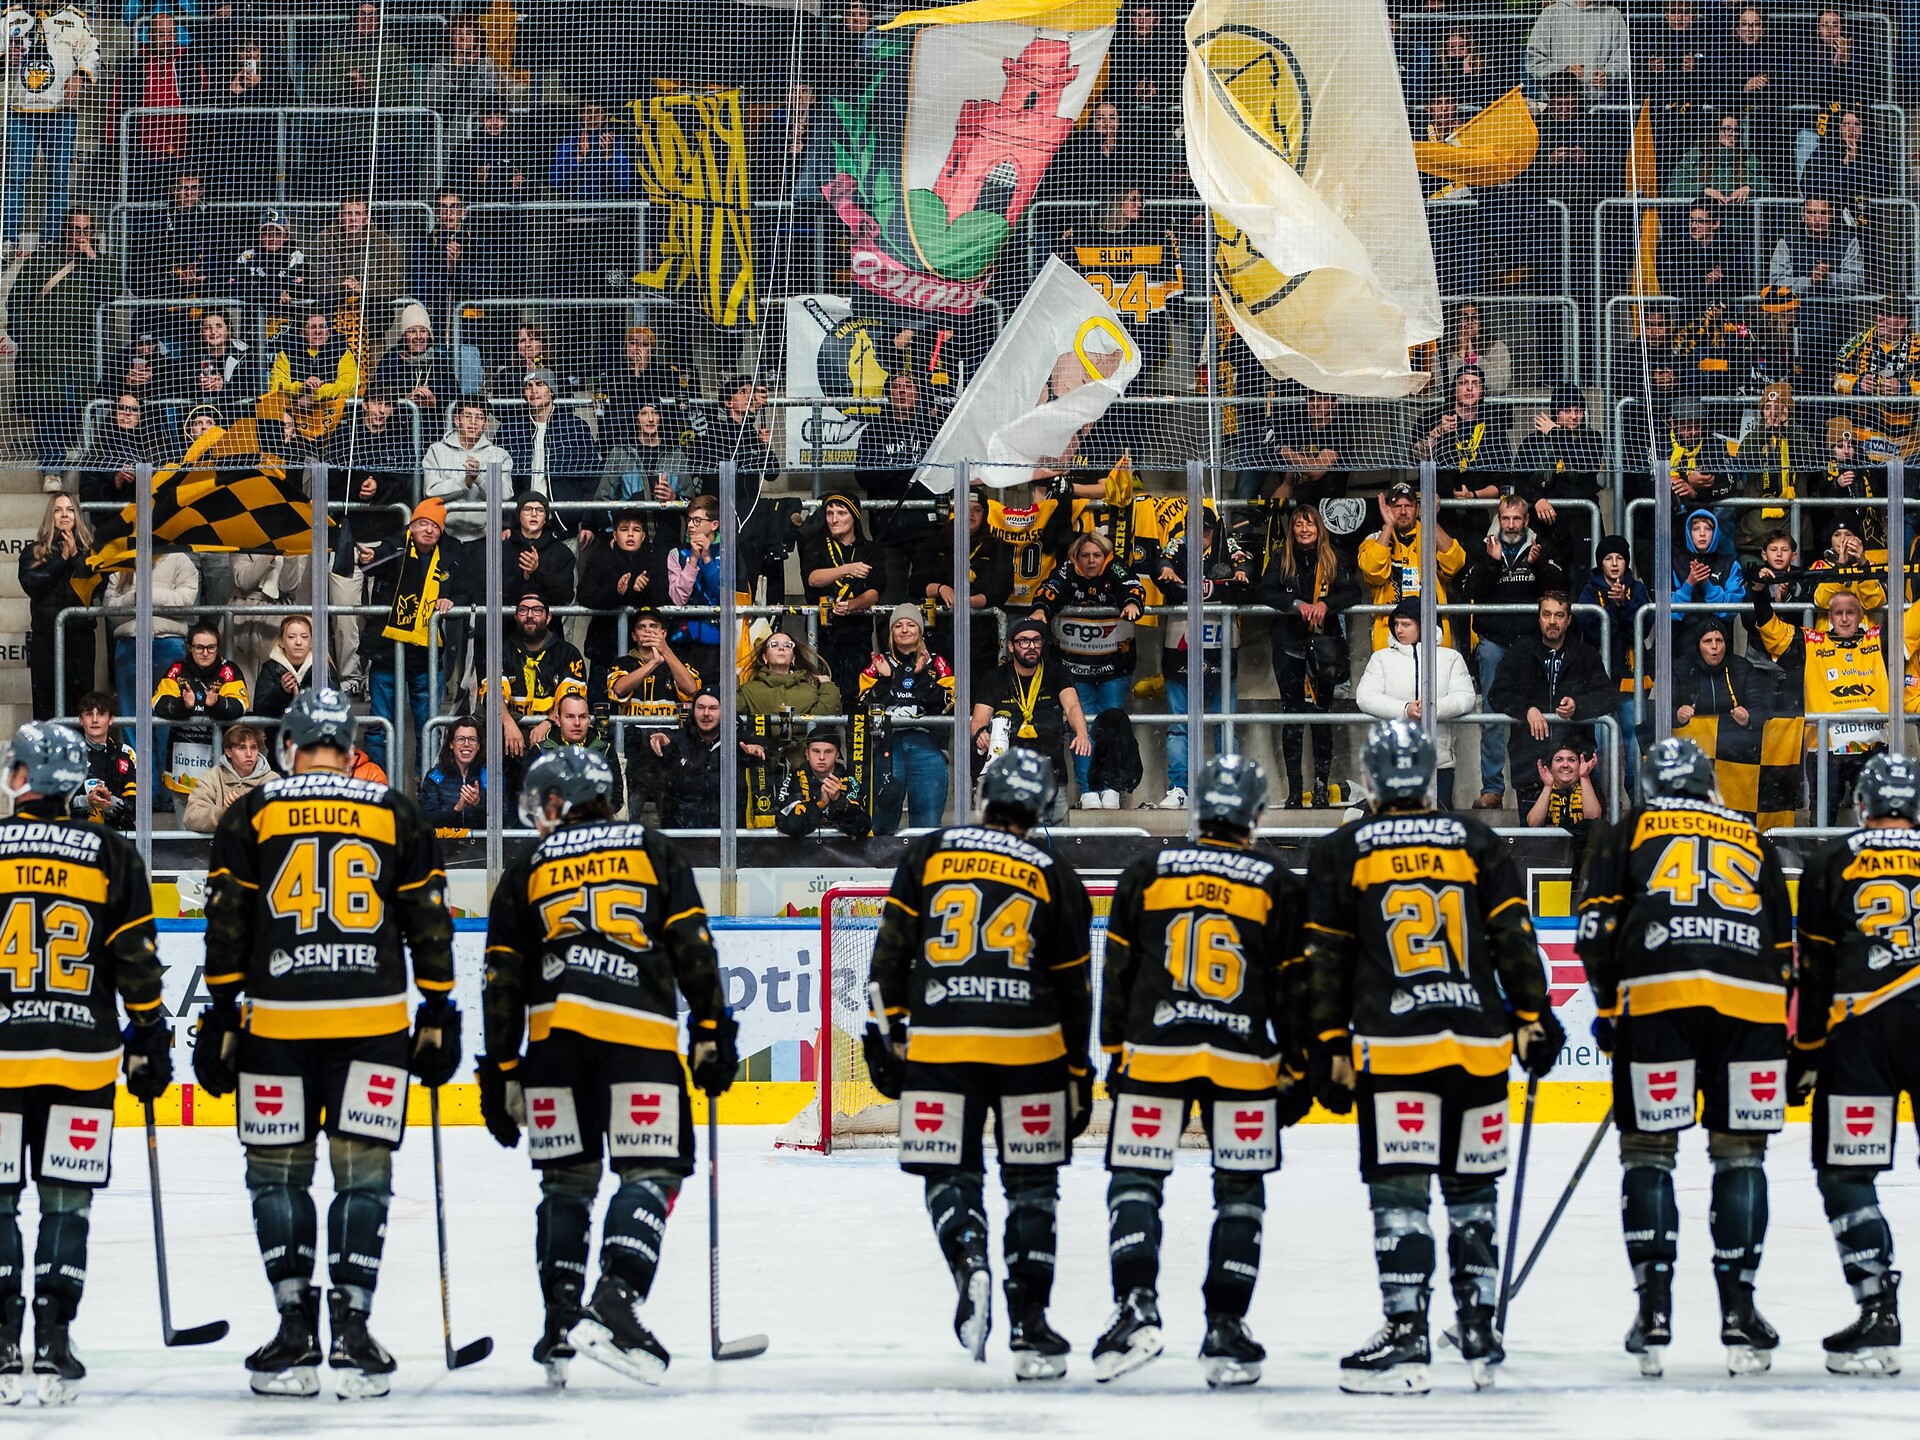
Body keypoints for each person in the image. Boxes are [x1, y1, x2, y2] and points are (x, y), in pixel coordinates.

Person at [191, 689, 457, 1400]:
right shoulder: (394, 810)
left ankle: (293, 1327)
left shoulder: (252, 812)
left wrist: (219, 1010)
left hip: (277, 1024)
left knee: (277, 1176)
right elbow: (428, 917)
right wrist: (438, 1007)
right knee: (362, 1176)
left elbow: (228, 920)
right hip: (372, 1024)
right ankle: (353, 1325)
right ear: (350, 747)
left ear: (289, 745)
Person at [1305, 720, 1560, 1393]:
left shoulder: (1344, 847)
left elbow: (1325, 962)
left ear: (1370, 779)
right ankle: (1478, 1324)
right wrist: (1534, 1016)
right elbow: (1514, 937)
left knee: (1401, 1192)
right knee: (1472, 1189)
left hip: (1395, 1046)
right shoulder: (1475, 839)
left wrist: (1326, 1043)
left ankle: (1408, 1333)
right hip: (1478, 1042)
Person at [477, 745, 733, 1385]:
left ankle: (561, 1320)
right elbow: (693, 945)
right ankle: (617, 1296)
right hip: (636, 1036)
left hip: (553, 1045)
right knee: (653, 1171)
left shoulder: (528, 864)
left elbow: (501, 981)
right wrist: (710, 1029)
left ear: (560, 801)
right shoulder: (651, 848)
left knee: (564, 1185)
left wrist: (502, 1070)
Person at [861, 748, 1093, 1376]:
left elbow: (889, 959)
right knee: (1033, 1188)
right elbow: (1075, 988)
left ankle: (970, 1262)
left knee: (949, 1173)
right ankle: (1032, 1330)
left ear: (985, 795)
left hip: (941, 1044)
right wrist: (1078, 1072)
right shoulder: (1055, 871)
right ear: (1042, 805)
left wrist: (886, 1033)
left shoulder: (930, 853)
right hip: (1032, 1048)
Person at [1575, 736, 1794, 1378]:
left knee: (1649, 1153)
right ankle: (1738, 1311)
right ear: (1706, 785)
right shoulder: (1751, 836)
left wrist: (1612, 1007)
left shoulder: (1626, 830)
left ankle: (1655, 1310)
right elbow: (1784, 947)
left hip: (1659, 1000)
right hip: (1750, 1005)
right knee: (1740, 1154)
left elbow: (1594, 931)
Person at [1092, 755, 1306, 1387]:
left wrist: (1114, 1052)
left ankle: (1136, 1308)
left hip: (1155, 1052)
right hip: (1242, 1059)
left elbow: (1119, 971)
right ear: (1256, 814)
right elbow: (1296, 986)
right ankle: (1226, 1329)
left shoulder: (1148, 869)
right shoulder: (1274, 879)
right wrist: (1299, 1065)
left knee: (1136, 1181)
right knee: (1240, 1193)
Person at [0, 722, 167, 1406]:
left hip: (2, 1060)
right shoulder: (109, 852)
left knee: (1, 1198)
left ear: (19, 778)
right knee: (67, 1200)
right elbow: (135, 958)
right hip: (82, 1056)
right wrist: (150, 1034)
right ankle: (54, 1337)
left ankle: (5, 1335)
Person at [1791, 752, 1920, 1375]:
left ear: (1862, 805)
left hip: (1860, 1030)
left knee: (1847, 1172)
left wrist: (1806, 1052)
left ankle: (1877, 1311)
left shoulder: (1833, 860)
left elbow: (1811, 969)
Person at [1748, 587, 1899, 826]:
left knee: (1878, 814)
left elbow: (1912, 623)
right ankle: (1821, 855)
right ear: (1830, 617)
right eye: (1838, 613)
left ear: (1861, 616)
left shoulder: (1877, 639)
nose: (1845, 618)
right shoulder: (1812, 644)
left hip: (1873, 746)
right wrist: (1757, 593)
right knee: (1822, 816)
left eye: (1851, 612)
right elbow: (1773, 632)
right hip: (1826, 750)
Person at [1461, 494, 1569, 811]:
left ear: (1526, 520)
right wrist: (1492, 562)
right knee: (1493, 718)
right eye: (1505, 518)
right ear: (1499, 518)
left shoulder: (1541, 548)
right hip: (1493, 643)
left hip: (1531, 645)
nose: (1511, 525)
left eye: (1517, 519)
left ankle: (1535, 785)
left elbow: (1561, 590)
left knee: (1533, 715)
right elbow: (1469, 591)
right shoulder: (1483, 547)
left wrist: (1538, 566)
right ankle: (1492, 789)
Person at [1029, 531, 1144, 805]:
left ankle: (1111, 788)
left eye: (1096, 555)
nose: (1091, 561)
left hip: (1113, 669)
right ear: (1076, 557)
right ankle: (1089, 790)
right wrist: (1041, 609)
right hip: (1073, 669)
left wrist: (1131, 602)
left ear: (1104, 557)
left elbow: (1133, 586)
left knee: (1112, 726)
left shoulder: (1114, 568)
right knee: (1079, 726)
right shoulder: (1068, 570)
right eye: (1085, 556)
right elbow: (1050, 588)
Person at [1151, 510, 1254, 811]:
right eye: (1193, 528)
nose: (1200, 535)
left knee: (1225, 723)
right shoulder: (1177, 544)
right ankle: (1179, 788)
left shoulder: (1226, 544)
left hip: (1222, 646)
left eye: (1205, 530)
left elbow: (1245, 567)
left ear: (1213, 531)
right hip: (1179, 645)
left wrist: (1241, 572)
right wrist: (1167, 570)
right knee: (1180, 724)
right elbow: (1161, 565)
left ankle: (1227, 787)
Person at [1487, 593, 1617, 817]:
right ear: (1539, 618)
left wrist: (1578, 705)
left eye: (1559, 615)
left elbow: (1607, 696)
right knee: (1533, 843)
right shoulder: (1519, 652)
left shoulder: (1586, 655)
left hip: (1576, 760)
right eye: (1546, 615)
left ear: (1568, 620)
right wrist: (1527, 709)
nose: (1552, 621)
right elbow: (1497, 694)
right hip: (1530, 761)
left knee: (1582, 841)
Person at [362, 497, 467, 775]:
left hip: (426, 656)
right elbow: (372, 567)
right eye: (423, 524)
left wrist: (451, 599)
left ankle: (428, 791)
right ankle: (378, 787)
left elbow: (468, 590)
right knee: (379, 725)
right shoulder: (394, 545)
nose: (429, 530)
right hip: (387, 652)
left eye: (435, 526)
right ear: (411, 525)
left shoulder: (452, 553)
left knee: (430, 726)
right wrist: (370, 558)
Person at [12, 208, 109, 486]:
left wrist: (91, 256)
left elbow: (112, 291)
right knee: (48, 409)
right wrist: (29, 340)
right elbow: (16, 303)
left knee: (73, 408)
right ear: (64, 230)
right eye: (76, 229)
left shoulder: (98, 263)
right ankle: (51, 468)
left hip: (79, 356)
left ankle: (62, 455)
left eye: (87, 229)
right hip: (43, 355)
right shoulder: (40, 261)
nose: (81, 235)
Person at [1353, 600, 1478, 811]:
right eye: (1397, 624)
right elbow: (1365, 697)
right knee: (1392, 828)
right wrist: (1405, 709)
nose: (1398, 630)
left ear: (1424, 625)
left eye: (1406, 624)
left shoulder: (1450, 658)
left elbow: (1465, 697)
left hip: (1438, 762)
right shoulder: (1381, 658)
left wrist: (1432, 708)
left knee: (1434, 827)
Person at [970, 619, 1091, 823]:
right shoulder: (995, 678)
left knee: (1057, 841)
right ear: (1010, 645)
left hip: (1050, 769)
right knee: (1007, 837)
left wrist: (1082, 734)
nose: (1031, 647)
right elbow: (978, 719)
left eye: (1036, 640)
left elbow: (1072, 706)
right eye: (1024, 641)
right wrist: (981, 733)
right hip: (1007, 772)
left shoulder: (1057, 672)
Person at [859, 606, 954, 832]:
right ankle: (879, 866)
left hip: (927, 744)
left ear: (920, 631)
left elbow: (947, 705)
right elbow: (863, 706)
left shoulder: (936, 663)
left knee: (927, 824)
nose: (904, 630)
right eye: (898, 626)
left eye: (911, 625)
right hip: (887, 745)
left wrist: (920, 676)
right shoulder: (879, 663)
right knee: (881, 820)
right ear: (891, 632)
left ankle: (922, 866)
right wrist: (886, 680)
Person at [1576, 538, 1653, 795]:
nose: (1614, 563)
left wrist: (1622, 605)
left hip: (1631, 675)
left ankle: (1636, 796)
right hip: (1598, 679)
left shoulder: (1637, 589)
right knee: (1601, 741)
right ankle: (1602, 802)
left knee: (1634, 739)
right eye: (1609, 558)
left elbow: (1642, 628)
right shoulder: (1589, 590)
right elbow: (1594, 630)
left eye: (1619, 558)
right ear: (1601, 562)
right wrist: (1615, 608)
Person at [152, 621, 249, 813]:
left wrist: (217, 705)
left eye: (211, 648)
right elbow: (158, 704)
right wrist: (183, 706)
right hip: (183, 762)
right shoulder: (177, 670)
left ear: (217, 648)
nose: (205, 653)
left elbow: (240, 706)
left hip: (220, 760)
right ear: (189, 648)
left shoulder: (228, 671)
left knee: (218, 823)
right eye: (199, 648)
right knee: (185, 826)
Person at [1356, 485, 1467, 650]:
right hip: (1390, 632)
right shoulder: (1376, 539)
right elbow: (1372, 571)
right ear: (1387, 508)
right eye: (1397, 506)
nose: (1402, 511)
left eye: (1408, 506)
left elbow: (1455, 563)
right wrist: (1387, 527)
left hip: (1432, 630)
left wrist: (1431, 521)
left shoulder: (1433, 535)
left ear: (1417, 509)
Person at [485, 593, 589, 770]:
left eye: (537, 610)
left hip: (554, 729)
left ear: (548, 617)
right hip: (512, 730)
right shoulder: (502, 650)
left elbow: (572, 699)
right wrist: (508, 723)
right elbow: (492, 693)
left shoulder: (567, 652)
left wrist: (548, 723)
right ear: (516, 616)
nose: (530, 615)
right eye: (523, 610)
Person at [800, 492, 884, 704]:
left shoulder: (869, 548)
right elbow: (813, 578)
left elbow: (875, 590)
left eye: (841, 513)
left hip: (857, 635)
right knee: (822, 696)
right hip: (823, 635)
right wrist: (847, 569)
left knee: (857, 698)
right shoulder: (816, 545)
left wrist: (853, 605)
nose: (834, 519)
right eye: (829, 513)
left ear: (854, 516)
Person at [498, 370, 601, 538]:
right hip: (519, 530)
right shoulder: (510, 429)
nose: (534, 391)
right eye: (529, 386)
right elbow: (501, 482)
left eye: (540, 385)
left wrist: (589, 523)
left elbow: (590, 478)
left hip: (563, 526)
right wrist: (505, 523)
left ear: (551, 391)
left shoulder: (574, 428)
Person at [19, 493, 94, 720]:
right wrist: (61, 559)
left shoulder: (90, 553)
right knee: (46, 708)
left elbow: (95, 589)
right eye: (58, 510)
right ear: (50, 516)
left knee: (80, 704)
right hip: (46, 639)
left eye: (70, 509)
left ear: (77, 515)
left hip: (80, 639)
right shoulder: (34, 551)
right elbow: (32, 583)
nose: (64, 514)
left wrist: (73, 558)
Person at [645, 689, 762, 829]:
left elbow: (767, 754)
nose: (706, 713)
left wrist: (760, 751)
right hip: (683, 835)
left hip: (727, 836)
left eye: (713, 708)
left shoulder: (740, 742)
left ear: (725, 712)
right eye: (700, 708)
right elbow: (658, 756)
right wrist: (660, 741)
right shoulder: (677, 741)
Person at [422, 397, 514, 546]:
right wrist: (464, 482)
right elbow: (430, 491)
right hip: (443, 535)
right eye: (467, 416)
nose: (473, 422)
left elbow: (505, 495)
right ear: (457, 420)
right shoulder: (437, 450)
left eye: (479, 417)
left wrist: (479, 478)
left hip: (484, 538)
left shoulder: (499, 454)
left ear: (486, 424)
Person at [536, 692, 626, 818]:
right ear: (558, 720)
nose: (577, 723)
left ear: (589, 720)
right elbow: (529, 797)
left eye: (582, 717)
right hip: (553, 826)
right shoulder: (540, 751)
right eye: (570, 717)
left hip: (593, 827)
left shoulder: (605, 750)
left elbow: (616, 800)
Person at [774, 727, 872, 841]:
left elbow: (863, 827)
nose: (821, 757)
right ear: (807, 753)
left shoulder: (849, 781)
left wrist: (838, 800)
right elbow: (785, 824)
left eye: (828, 752)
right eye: (816, 751)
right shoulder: (794, 779)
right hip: (802, 852)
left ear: (837, 755)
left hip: (842, 851)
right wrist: (820, 804)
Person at [182, 722, 273, 833]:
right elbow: (191, 817)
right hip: (221, 848)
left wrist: (250, 809)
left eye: (253, 748)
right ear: (228, 752)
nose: (249, 754)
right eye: (242, 747)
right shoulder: (213, 776)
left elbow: (281, 819)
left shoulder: (272, 780)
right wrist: (224, 813)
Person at [1524, 739, 1601, 865]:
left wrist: (1584, 778)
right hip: (1545, 858)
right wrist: (1548, 787)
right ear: (1550, 767)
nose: (1565, 765)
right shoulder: (1539, 789)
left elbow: (1594, 817)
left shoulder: (1591, 789)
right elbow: (1533, 823)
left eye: (1572, 760)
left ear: (1580, 765)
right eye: (1559, 760)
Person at [73, 691, 138, 829]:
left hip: (116, 835)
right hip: (76, 837)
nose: (95, 720)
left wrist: (110, 803)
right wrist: (86, 801)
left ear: (111, 719)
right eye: (89, 714)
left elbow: (137, 808)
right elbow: (55, 805)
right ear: (80, 719)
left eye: (101, 714)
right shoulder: (66, 754)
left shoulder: (125, 754)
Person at [502, 494, 576, 610]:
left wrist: (537, 572)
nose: (534, 514)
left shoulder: (561, 552)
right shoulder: (503, 550)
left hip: (548, 624)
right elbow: (493, 593)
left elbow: (565, 596)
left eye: (540, 510)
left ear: (546, 518)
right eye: (527, 509)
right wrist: (524, 577)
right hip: (509, 622)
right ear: (518, 515)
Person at [251, 615, 315, 747]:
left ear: (311, 642)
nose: (298, 642)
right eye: (291, 637)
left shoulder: (323, 668)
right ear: (281, 641)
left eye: (304, 637)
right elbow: (260, 710)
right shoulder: (271, 667)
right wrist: (282, 692)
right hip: (279, 746)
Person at [1670, 509, 1745, 621]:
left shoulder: (1731, 564)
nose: (1702, 534)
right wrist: (1689, 584)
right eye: (1696, 529)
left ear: (1715, 533)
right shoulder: (1674, 564)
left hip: (1719, 634)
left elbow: (1731, 611)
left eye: (1708, 529)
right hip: (1683, 634)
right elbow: (1668, 614)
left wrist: (1707, 585)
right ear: (1689, 533)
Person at [417, 716, 488, 829]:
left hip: (482, 845)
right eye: (460, 739)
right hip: (445, 845)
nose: (466, 744)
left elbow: (504, 817)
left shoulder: (491, 775)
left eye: (472, 739)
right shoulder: (435, 776)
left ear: (479, 746)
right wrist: (456, 809)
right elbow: (427, 819)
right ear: (451, 744)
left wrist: (478, 804)